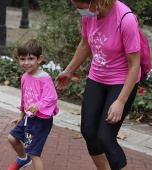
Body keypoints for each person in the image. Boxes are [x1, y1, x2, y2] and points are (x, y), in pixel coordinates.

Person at [55, 0, 140, 170]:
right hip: (97, 78)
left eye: (81, 7)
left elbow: (134, 65)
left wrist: (120, 102)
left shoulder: (125, 19)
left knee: (105, 137)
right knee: (88, 132)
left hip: (121, 82)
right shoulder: (90, 15)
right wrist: (69, 71)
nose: (79, 11)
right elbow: (85, 44)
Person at [8, 39, 59, 170]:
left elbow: (52, 97)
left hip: (41, 121)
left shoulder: (44, 79)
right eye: (22, 59)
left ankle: (28, 157)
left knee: (34, 152)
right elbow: (24, 98)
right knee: (12, 138)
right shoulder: (25, 77)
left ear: (39, 59)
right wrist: (21, 115)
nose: (26, 63)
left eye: (30, 59)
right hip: (28, 118)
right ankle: (23, 159)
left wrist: (39, 105)